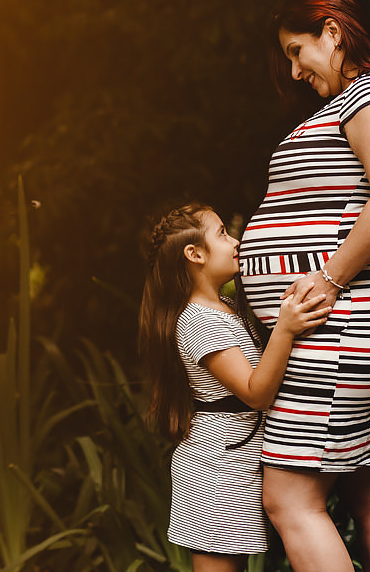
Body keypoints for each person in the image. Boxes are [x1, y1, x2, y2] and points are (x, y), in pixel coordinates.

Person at [238, 0, 370, 572]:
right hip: (350, 324)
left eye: (297, 51)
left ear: (333, 31)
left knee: (290, 500)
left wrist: (328, 280)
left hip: (343, 327)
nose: (294, 71)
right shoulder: (359, 99)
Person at [139, 203, 329, 572]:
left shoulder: (225, 307)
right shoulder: (198, 321)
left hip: (237, 461)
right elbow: (256, 393)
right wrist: (286, 328)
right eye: (223, 234)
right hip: (216, 469)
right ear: (194, 254)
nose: (235, 242)